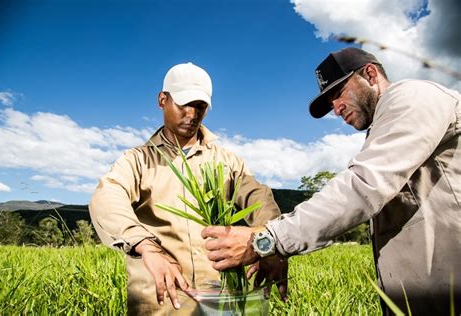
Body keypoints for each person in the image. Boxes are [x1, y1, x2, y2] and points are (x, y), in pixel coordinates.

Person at [202, 47, 460, 315]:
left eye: (338, 94)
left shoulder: (414, 98)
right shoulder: (384, 128)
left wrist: (265, 240)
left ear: (370, 74)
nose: (336, 110)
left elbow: (363, 187)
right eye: (330, 104)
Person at [89, 62, 288, 315]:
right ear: (162, 100)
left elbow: (260, 199)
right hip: (161, 300)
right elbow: (107, 196)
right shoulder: (137, 161)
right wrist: (147, 247)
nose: (192, 114)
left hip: (220, 299)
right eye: (184, 104)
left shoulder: (227, 161)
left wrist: (270, 245)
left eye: (200, 106)